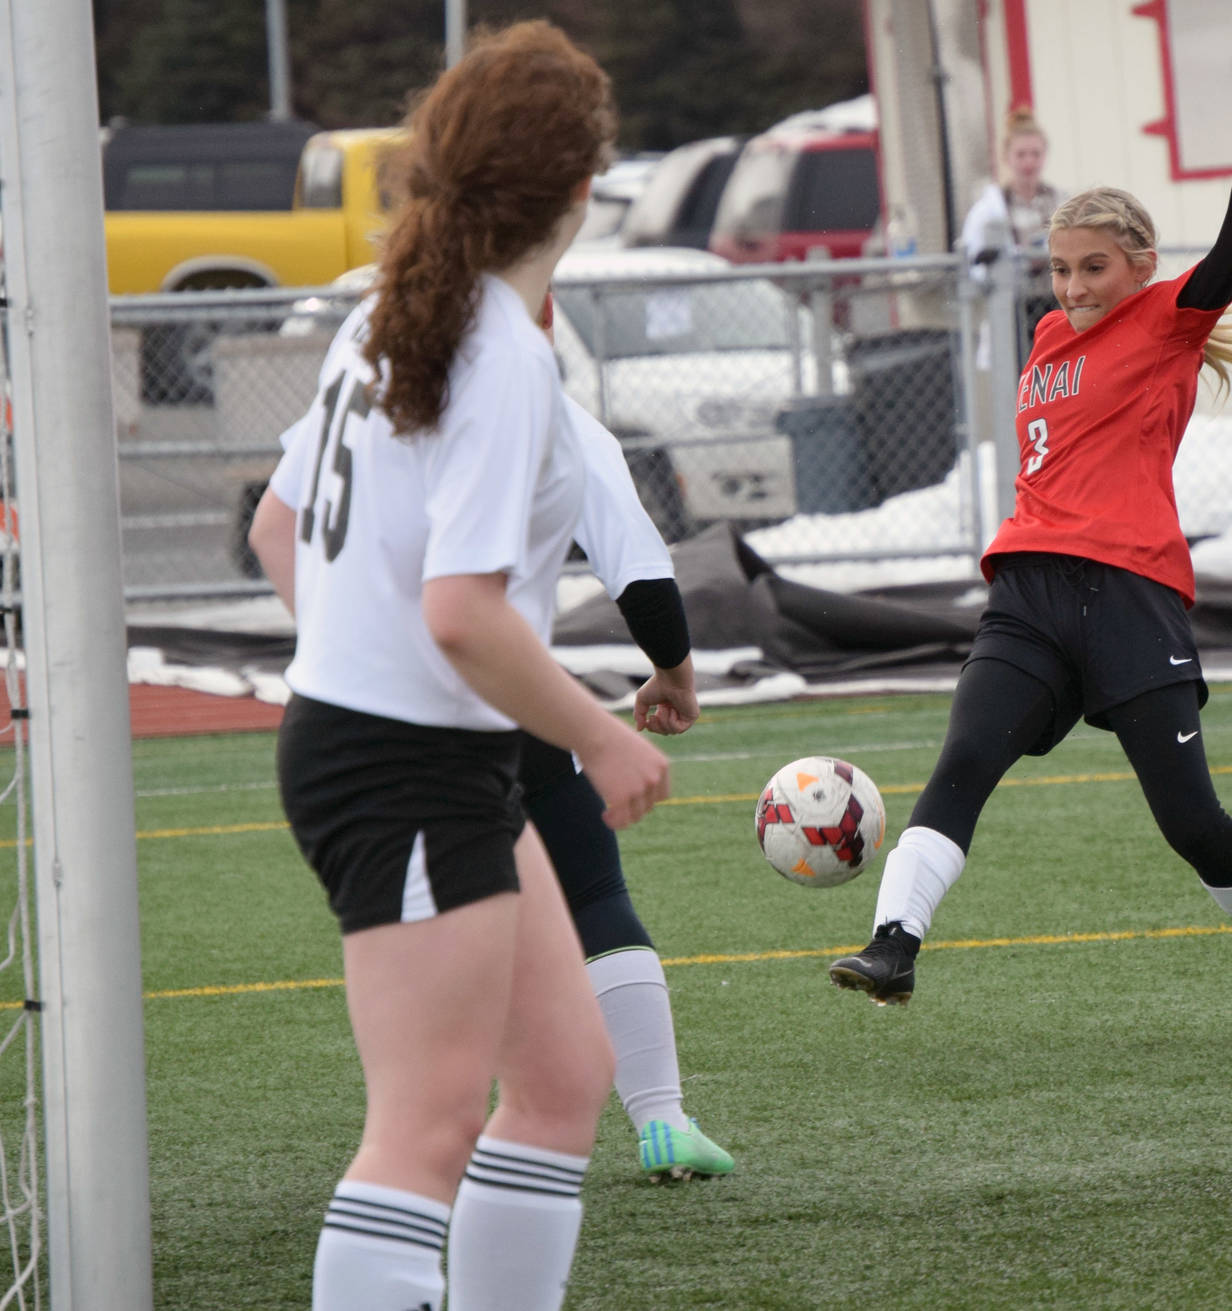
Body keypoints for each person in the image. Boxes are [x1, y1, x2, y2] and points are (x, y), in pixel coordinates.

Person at [245, 23, 668, 1310]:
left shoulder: (397, 307)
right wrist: (602, 734)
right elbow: (462, 616)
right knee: (422, 1130)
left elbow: (275, 531)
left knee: (559, 1082)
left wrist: (356, 657)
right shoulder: (499, 349)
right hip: (402, 767)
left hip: (429, 753)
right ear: (585, 187)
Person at [831, 45, 1232, 1036]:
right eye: (1060, 268)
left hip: (1127, 595)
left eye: (1091, 269)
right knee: (958, 767)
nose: (1071, 286)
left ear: (1140, 269)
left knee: (1192, 825)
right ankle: (893, 947)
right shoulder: (1043, 340)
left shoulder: (1167, 322)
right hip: (1028, 595)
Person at [532, 296, 734, 1183]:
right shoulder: (545, 416)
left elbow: (279, 526)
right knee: (591, 889)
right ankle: (660, 1120)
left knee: (431, 920)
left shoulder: (363, 374)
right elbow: (644, 576)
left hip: (340, 719)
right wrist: (675, 675)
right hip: (481, 697)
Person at [960, 106, 1067, 365]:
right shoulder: (992, 208)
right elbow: (974, 257)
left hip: (1056, 304)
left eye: (1035, 154)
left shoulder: (1059, 201)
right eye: (1021, 155)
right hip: (1015, 307)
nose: (1029, 162)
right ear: (1007, 158)